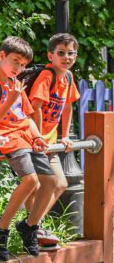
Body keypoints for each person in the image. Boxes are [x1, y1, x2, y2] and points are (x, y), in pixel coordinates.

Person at [0, 36, 56, 260]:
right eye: (15, 61)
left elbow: (26, 116)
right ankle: (0, 228)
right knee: (31, 181)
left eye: (23, 64)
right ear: (2, 56)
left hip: (26, 137)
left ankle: (29, 226)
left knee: (50, 182)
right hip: (7, 137)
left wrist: (37, 136)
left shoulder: (15, 83)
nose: (19, 68)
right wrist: (11, 99)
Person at [26, 33, 81, 249]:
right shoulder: (46, 76)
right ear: (51, 55)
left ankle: (32, 225)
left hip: (49, 141)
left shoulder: (68, 78)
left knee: (60, 184)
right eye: (61, 53)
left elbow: (67, 106)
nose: (66, 57)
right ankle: (33, 227)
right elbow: (36, 106)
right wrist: (39, 136)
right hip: (34, 139)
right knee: (39, 184)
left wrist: (64, 135)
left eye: (71, 53)